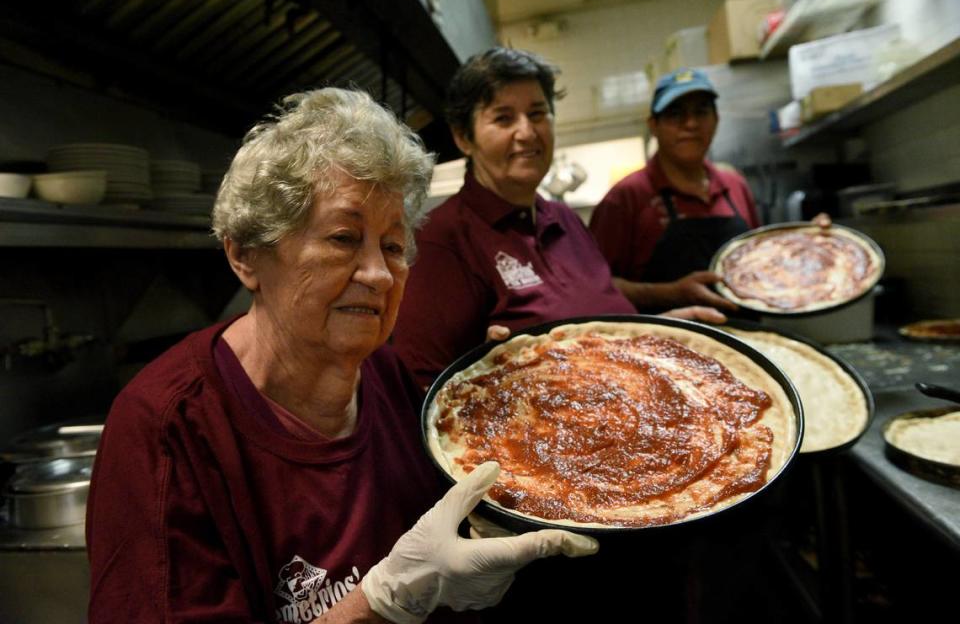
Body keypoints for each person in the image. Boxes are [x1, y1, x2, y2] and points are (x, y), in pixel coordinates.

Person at [85, 88, 599, 624]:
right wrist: (381, 601)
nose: (378, 274)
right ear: (245, 255)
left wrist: (511, 434)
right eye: (342, 238)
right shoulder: (167, 430)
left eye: (394, 247)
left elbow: (449, 543)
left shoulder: (390, 380)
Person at [392, 48, 725, 389]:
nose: (527, 132)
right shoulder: (441, 241)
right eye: (503, 118)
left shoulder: (565, 220)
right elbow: (420, 388)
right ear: (464, 137)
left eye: (537, 114)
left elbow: (596, 332)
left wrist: (656, 333)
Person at [588, 67, 760, 313]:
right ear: (653, 125)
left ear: (716, 119)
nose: (690, 124)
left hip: (751, 337)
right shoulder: (626, 197)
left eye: (701, 112)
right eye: (675, 114)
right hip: (665, 344)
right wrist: (671, 294)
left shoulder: (735, 185)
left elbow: (759, 260)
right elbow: (594, 286)